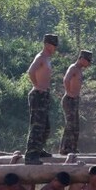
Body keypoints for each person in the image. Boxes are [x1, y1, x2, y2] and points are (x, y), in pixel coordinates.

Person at [24, 34, 59, 164]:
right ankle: (31, 156)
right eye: (53, 45)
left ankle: (38, 149)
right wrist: (36, 85)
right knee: (37, 126)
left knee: (46, 127)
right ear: (47, 44)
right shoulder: (41, 57)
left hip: (44, 95)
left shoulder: (47, 58)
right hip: (38, 94)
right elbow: (31, 71)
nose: (54, 48)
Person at [61, 50, 92, 154]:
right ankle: (65, 149)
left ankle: (72, 148)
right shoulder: (73, 68)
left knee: (75, 126)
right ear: (82, 59)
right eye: (88, 60)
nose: (89, 63)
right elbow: (66, 80)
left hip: (74, 100)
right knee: (70, 125)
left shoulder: (79, 70)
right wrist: (69, 92)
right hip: (69, 99)